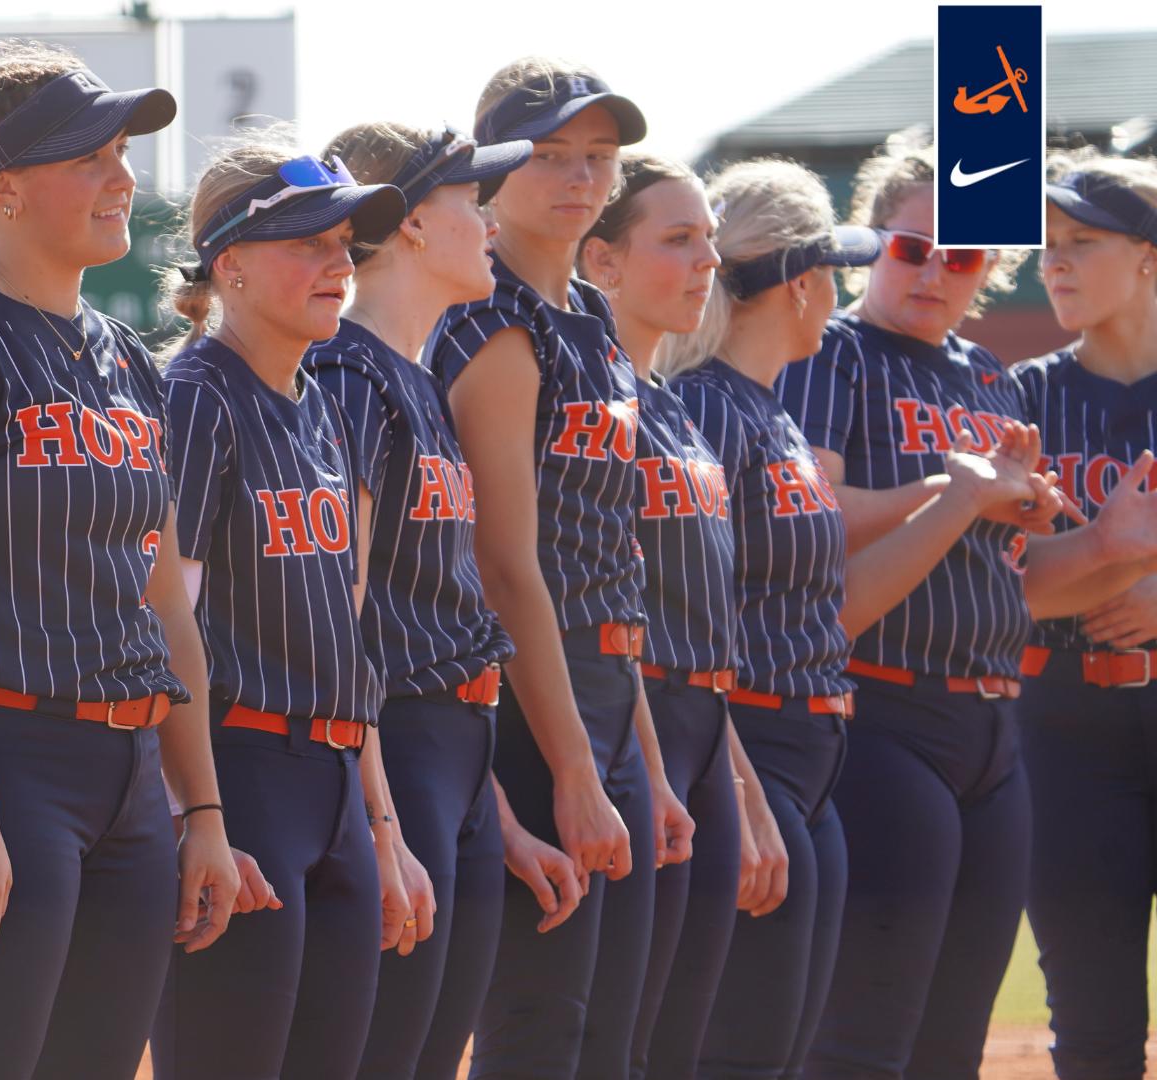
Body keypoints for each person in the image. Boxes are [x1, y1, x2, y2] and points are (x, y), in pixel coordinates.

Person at [0, 44, 240, 1080]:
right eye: (94, 156)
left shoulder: (124, 355)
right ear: (6, 189)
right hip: (8, 753)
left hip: (128, 777)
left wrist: (200, 810)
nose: (125, 177)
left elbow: (164, 597)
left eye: (124, 153)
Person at [781, 140, 1157, 1080]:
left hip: (994, 726)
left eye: (965, 256)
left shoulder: (980, 378)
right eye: (915, 249)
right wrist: (968, 497)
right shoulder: (881, 362)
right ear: (870, 247)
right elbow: (839, 538)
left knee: (943, 1036)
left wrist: (1124, 563)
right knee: (887, 1036)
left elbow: (1011, 572)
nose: (938, 272)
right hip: (955, 710)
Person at [311, 121, 585, 1080]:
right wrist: (381, 821)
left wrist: (498, 813)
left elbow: (441, 617)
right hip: (394, 750)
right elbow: (338, 623)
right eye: (471, 199)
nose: (489, 221)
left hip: (454, 760)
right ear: (414, 225)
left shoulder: (413, 377)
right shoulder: (346, 375)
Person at [150, 142, 417, 1080]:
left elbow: (348, 634)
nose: (341, 263)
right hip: (242, 769)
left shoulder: (321, 406)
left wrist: (382, 828)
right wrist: (196, 813)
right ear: (230, 264)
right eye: (309, 241)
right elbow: (160, 624)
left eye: (346, 242)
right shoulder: (192, 398)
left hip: (334, 782)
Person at [434, 57, 654, 1080]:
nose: (580, 178)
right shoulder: (494, 322)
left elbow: (614, 551)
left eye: (599, 159)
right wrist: (572, 767)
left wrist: (636, 755)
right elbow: (507, 565)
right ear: (489, 171)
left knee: (614, 1028)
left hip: (608, 686)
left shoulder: (595, 319)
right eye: (551, 156)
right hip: (534, 694)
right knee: (541, 1023)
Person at [659, 160, 876, 1080]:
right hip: (749, 743)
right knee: (737, 1054)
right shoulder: (707, 404)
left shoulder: (769, 410)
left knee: (780, 1054)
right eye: (838, 271)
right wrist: (739, 785)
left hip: (811, 749)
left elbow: (813, 598)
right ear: (803, 281)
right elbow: (685, 612)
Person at [580, 152, 737, 1080]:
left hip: (702, 733)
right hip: (625, 724)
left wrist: (740, 784)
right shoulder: (580, 402)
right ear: (601, 261)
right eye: (678, 240)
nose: (705, 261)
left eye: (710, 240)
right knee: (603, 1044)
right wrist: (645, 759)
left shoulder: (673, 406)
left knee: (673, 1049)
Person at [1015, 150, 1157, 1080]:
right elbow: (1000, 584)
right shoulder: (1019, 397)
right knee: (1094, 1024)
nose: (1053, 263)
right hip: (1062, 726)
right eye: (1048, 246)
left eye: (1082, 243)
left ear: (1148, 256)